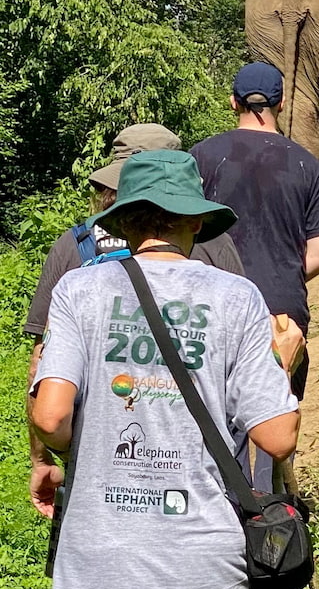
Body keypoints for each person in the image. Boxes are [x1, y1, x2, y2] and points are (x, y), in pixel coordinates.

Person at [29, 148, 302, 589]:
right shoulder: (236, 298)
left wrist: (80, 448)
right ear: (194, 223)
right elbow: (279, 436)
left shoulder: (81, 289)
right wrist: (279, 360)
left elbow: (49, 415)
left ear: (125, 224)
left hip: (101, 557)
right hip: (206, 558)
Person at [25, 124, 247, 496]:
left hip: (97, 468)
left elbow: (41, 367)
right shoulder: (212, 243)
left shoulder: (74, 246)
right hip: (198, 473)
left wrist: (43, 460)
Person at [190, 62, 319, 489]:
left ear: (233, 101)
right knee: (274, 412)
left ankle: (218, 501)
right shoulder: (307, 164)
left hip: (209, 303)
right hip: (281, 310)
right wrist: (283, 273)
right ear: (282, 103)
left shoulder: (202, 156)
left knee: (211, 407)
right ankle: (273, 513)